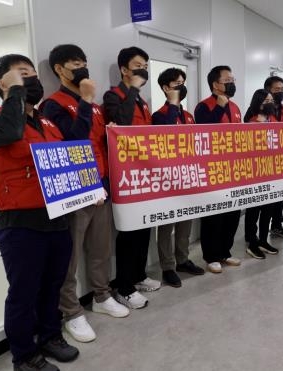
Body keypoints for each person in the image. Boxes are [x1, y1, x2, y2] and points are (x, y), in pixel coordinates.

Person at [0, 54, 79, 370]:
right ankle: (24, 355)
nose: (31, 79)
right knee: (23, 293)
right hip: (20, 224)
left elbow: (67, 159)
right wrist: (14, 95)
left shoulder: (46, 121)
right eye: (22, 74)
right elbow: (7, 134)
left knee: (52, 285)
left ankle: (50, 336)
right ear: (2, 83)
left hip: (58, 219)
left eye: (33, 74)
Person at [42, 44, 130, 343]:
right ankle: (71, 311)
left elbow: (102, 138)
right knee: (68, 256)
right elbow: (72, 141)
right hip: (75, 189)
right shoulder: (53, 104)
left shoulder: (93, 106)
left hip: (100, 185)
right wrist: (87, 98)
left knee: (101, 248)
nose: (81, 67)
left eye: (83, 61)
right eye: (74, 63)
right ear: (59, 69)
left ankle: (102, 296)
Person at [102, 46, 161, 308]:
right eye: (138, 65)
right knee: (129, 232)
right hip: (126, 176)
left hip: (145, 173)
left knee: (144, 228)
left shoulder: (142, 101)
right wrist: (134, 88)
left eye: (146, 66)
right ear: (125, 69)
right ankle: (123, 286)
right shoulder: (113, 96)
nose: (143, 70)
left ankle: (138, 275)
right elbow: (122, 123)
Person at [151, 67, 205, 287]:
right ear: (165, 88)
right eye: (176, 85)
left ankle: (183, 259)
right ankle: (167, 266)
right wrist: (173, 105)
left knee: (186, 222)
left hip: (188, 176)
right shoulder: (159, 115)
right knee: (166, 226)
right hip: (167, 179)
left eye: (183, 83)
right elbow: (163, 136)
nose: (181, 88)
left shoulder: (189, 115)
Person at [194, 65, 242, 273]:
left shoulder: (236, 107)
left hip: (234, 168)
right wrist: (220, 107)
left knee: (232, 212)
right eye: (227, 80)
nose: (231, 83)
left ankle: (225, 251)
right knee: (214, 214)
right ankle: (211, 255)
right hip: (213, 169)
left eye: (232, 79)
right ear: (215, 84)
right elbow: (206, 132)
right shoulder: (204, 107)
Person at [243, 89, 280, 259]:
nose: (270, 103)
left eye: (272, 100)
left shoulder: (273, 120)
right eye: (267, 100)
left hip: (271, 171)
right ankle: (252, 242)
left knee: (268, 208)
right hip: (255, 173)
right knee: (254, 210)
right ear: (258, 103)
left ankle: (263, 240)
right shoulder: (250, 122)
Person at [263, 76, 283, 239]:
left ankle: (277, 225)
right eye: (276, 89)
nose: (280, 92)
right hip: (266, 160)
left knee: (280, 194)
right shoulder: (259, 110)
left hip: (282, 158)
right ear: (268, 90)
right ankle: (257, 232)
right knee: (267, 198)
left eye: (282, 89)